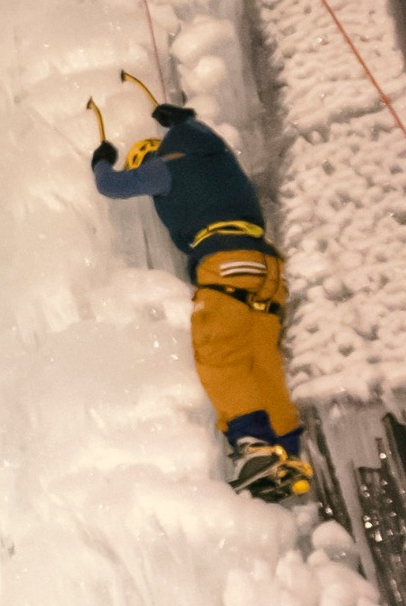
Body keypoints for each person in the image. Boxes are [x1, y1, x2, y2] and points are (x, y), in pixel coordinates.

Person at [87, 97, 313, 504]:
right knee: (261, 362)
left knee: (220, 355)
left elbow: (112, 186)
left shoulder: (165, 167)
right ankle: (287, 453)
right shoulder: (213, 154)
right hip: (267, 270)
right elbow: (201, 134)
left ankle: (256, 446)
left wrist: (102, 160)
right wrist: (185, 120)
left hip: (226, 264)